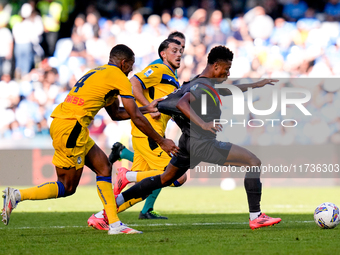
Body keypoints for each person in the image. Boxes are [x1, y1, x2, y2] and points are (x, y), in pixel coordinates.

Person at [1, 44, 179, 235]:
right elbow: (134, 117)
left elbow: (116, 114)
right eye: (131, 65)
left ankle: (115, 224)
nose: (132, 70)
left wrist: (146, 108)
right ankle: (17, 195)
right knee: (67, 186)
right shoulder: (119, 77)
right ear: (124, 63)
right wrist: (162, 141)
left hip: (66, 124)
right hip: (72, 128)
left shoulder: (98, 72)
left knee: (103, 166)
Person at [112, 45, 282, 230]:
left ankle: (107, 210)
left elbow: (224, 91)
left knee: (164, 178)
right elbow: (183, 103)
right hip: (202, 143)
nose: (227, 73)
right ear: (216, 66)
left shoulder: (198, 82)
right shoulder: (202, 85)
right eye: (226, 69)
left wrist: (254, 85)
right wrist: (204, 124)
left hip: (188, 143)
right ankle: (256, 216)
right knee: (253, 162)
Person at [87, 36, 187, 231]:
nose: (179, 54)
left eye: (181, 50)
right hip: (149, 132)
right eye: (174, 50)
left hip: (149, 131)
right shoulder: (159, 69)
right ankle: (128, 175)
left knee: (145, 188)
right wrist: (147, 107)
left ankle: (102, 216)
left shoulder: (172, 77)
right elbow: (133, 82)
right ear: (163, 54)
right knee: (178, 176)